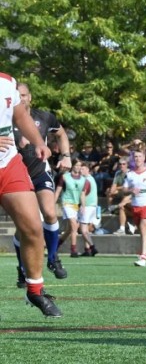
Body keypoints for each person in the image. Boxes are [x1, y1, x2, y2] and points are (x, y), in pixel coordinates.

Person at [0, 72, 61, 317]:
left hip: (8, 164)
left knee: (33, 227)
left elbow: (20, 115)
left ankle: (35, 289)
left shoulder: (7, 82)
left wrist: (39, 142)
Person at [12, 82, 71, 286]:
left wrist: (66, 156)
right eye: (17, 95)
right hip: (17, 176)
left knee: (50, 213)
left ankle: (53, 257)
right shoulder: (6, 118)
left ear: (30, 97)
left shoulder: (44, 117)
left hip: (39, 172)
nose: (21, 99)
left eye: (24, 95)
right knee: (24, 226)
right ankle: (22, 267)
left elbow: (61, 134)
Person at [55, 159, 86, 258]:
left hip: (75, 205)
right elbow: (58, 191)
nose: (78, 167)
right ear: (73, 166)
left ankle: (55, 246)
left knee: (69, 230)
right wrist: (52, 203)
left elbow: (82, 194)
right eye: (76, 165)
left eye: (80, 166)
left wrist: (83, 206)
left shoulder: (83, 179)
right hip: (66, 203)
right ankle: (73, 250)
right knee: (74, 226)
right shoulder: (65, 177)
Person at [77, 164, 99, 257]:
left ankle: (92, 247)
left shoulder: (86, 180)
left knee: (83, 230)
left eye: (83, 168)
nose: (80, 170)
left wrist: (83, 206)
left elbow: (82, 194)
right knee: (85, 228)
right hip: (92, 206)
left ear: (88, 170)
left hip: (87, 206)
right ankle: (87, 250)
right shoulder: (92, 179)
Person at [108, 156, 135, 235]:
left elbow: (129, 187)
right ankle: (122, 228)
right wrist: (112, 190)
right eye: (120, 164)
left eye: (124, 164)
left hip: (130, 195)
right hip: (123, 192)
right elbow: (114, 185)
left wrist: (117, 188)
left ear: (127, 165)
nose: (122, 166)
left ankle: (116, 207)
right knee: (109, 192)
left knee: (125, 197)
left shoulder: (130, 173)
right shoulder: (118, 173)